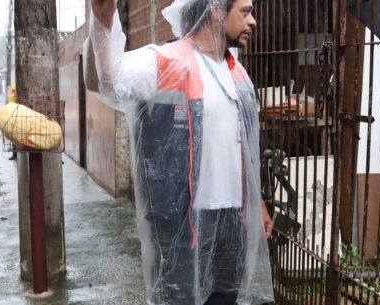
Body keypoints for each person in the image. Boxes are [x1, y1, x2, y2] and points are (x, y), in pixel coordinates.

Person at [85, 0, 273, 304]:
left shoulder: (237, 73)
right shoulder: (165, 61)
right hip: (181, 223)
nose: (253, 21)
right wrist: (104, 18)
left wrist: (257, 201)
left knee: (225, 297)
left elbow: (242, 147)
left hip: (232, 222)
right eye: (245, 11)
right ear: (215, 10)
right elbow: (111, 81)